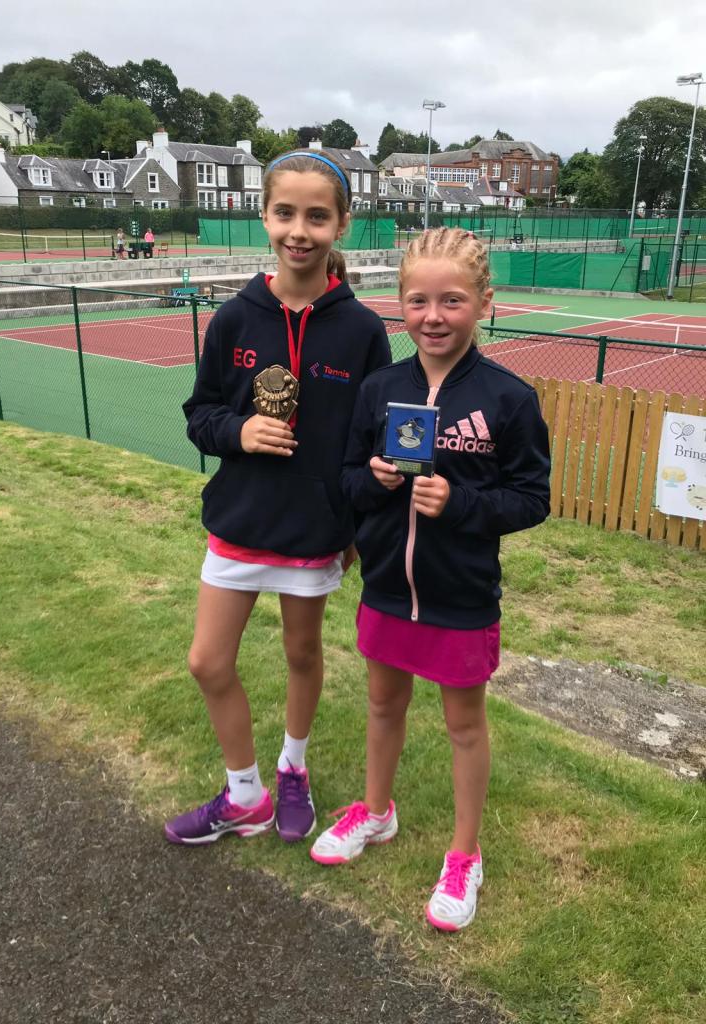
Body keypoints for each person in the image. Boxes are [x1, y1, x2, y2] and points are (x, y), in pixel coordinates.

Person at [310, 227, 551, 932]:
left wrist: (461, 503)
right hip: (387, 586)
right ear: (400, 303)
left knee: (463, 726)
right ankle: (375, 812)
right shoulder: (380, 389)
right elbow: (347, 481)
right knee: (383, 705)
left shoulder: (509, 399)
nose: (434, 316)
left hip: (460, 597)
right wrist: (374, 481)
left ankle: (464, 854)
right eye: (418, 300)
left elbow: (531, 499)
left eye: (452, 300)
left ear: (484, 302)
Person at [165, 150, 391, 847]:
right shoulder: (235, 318)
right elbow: (200, 414)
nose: (299, 230)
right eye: (285, 213)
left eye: (317, 217)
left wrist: (354, 527)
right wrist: (239, 431)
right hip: (239, 520)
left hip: (313, 529)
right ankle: (245, 796)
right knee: (207, 661)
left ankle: (293, 769)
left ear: (341, 225)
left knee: (302, 654)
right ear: (264, 216)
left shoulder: (363, 331)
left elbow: (368, 439)